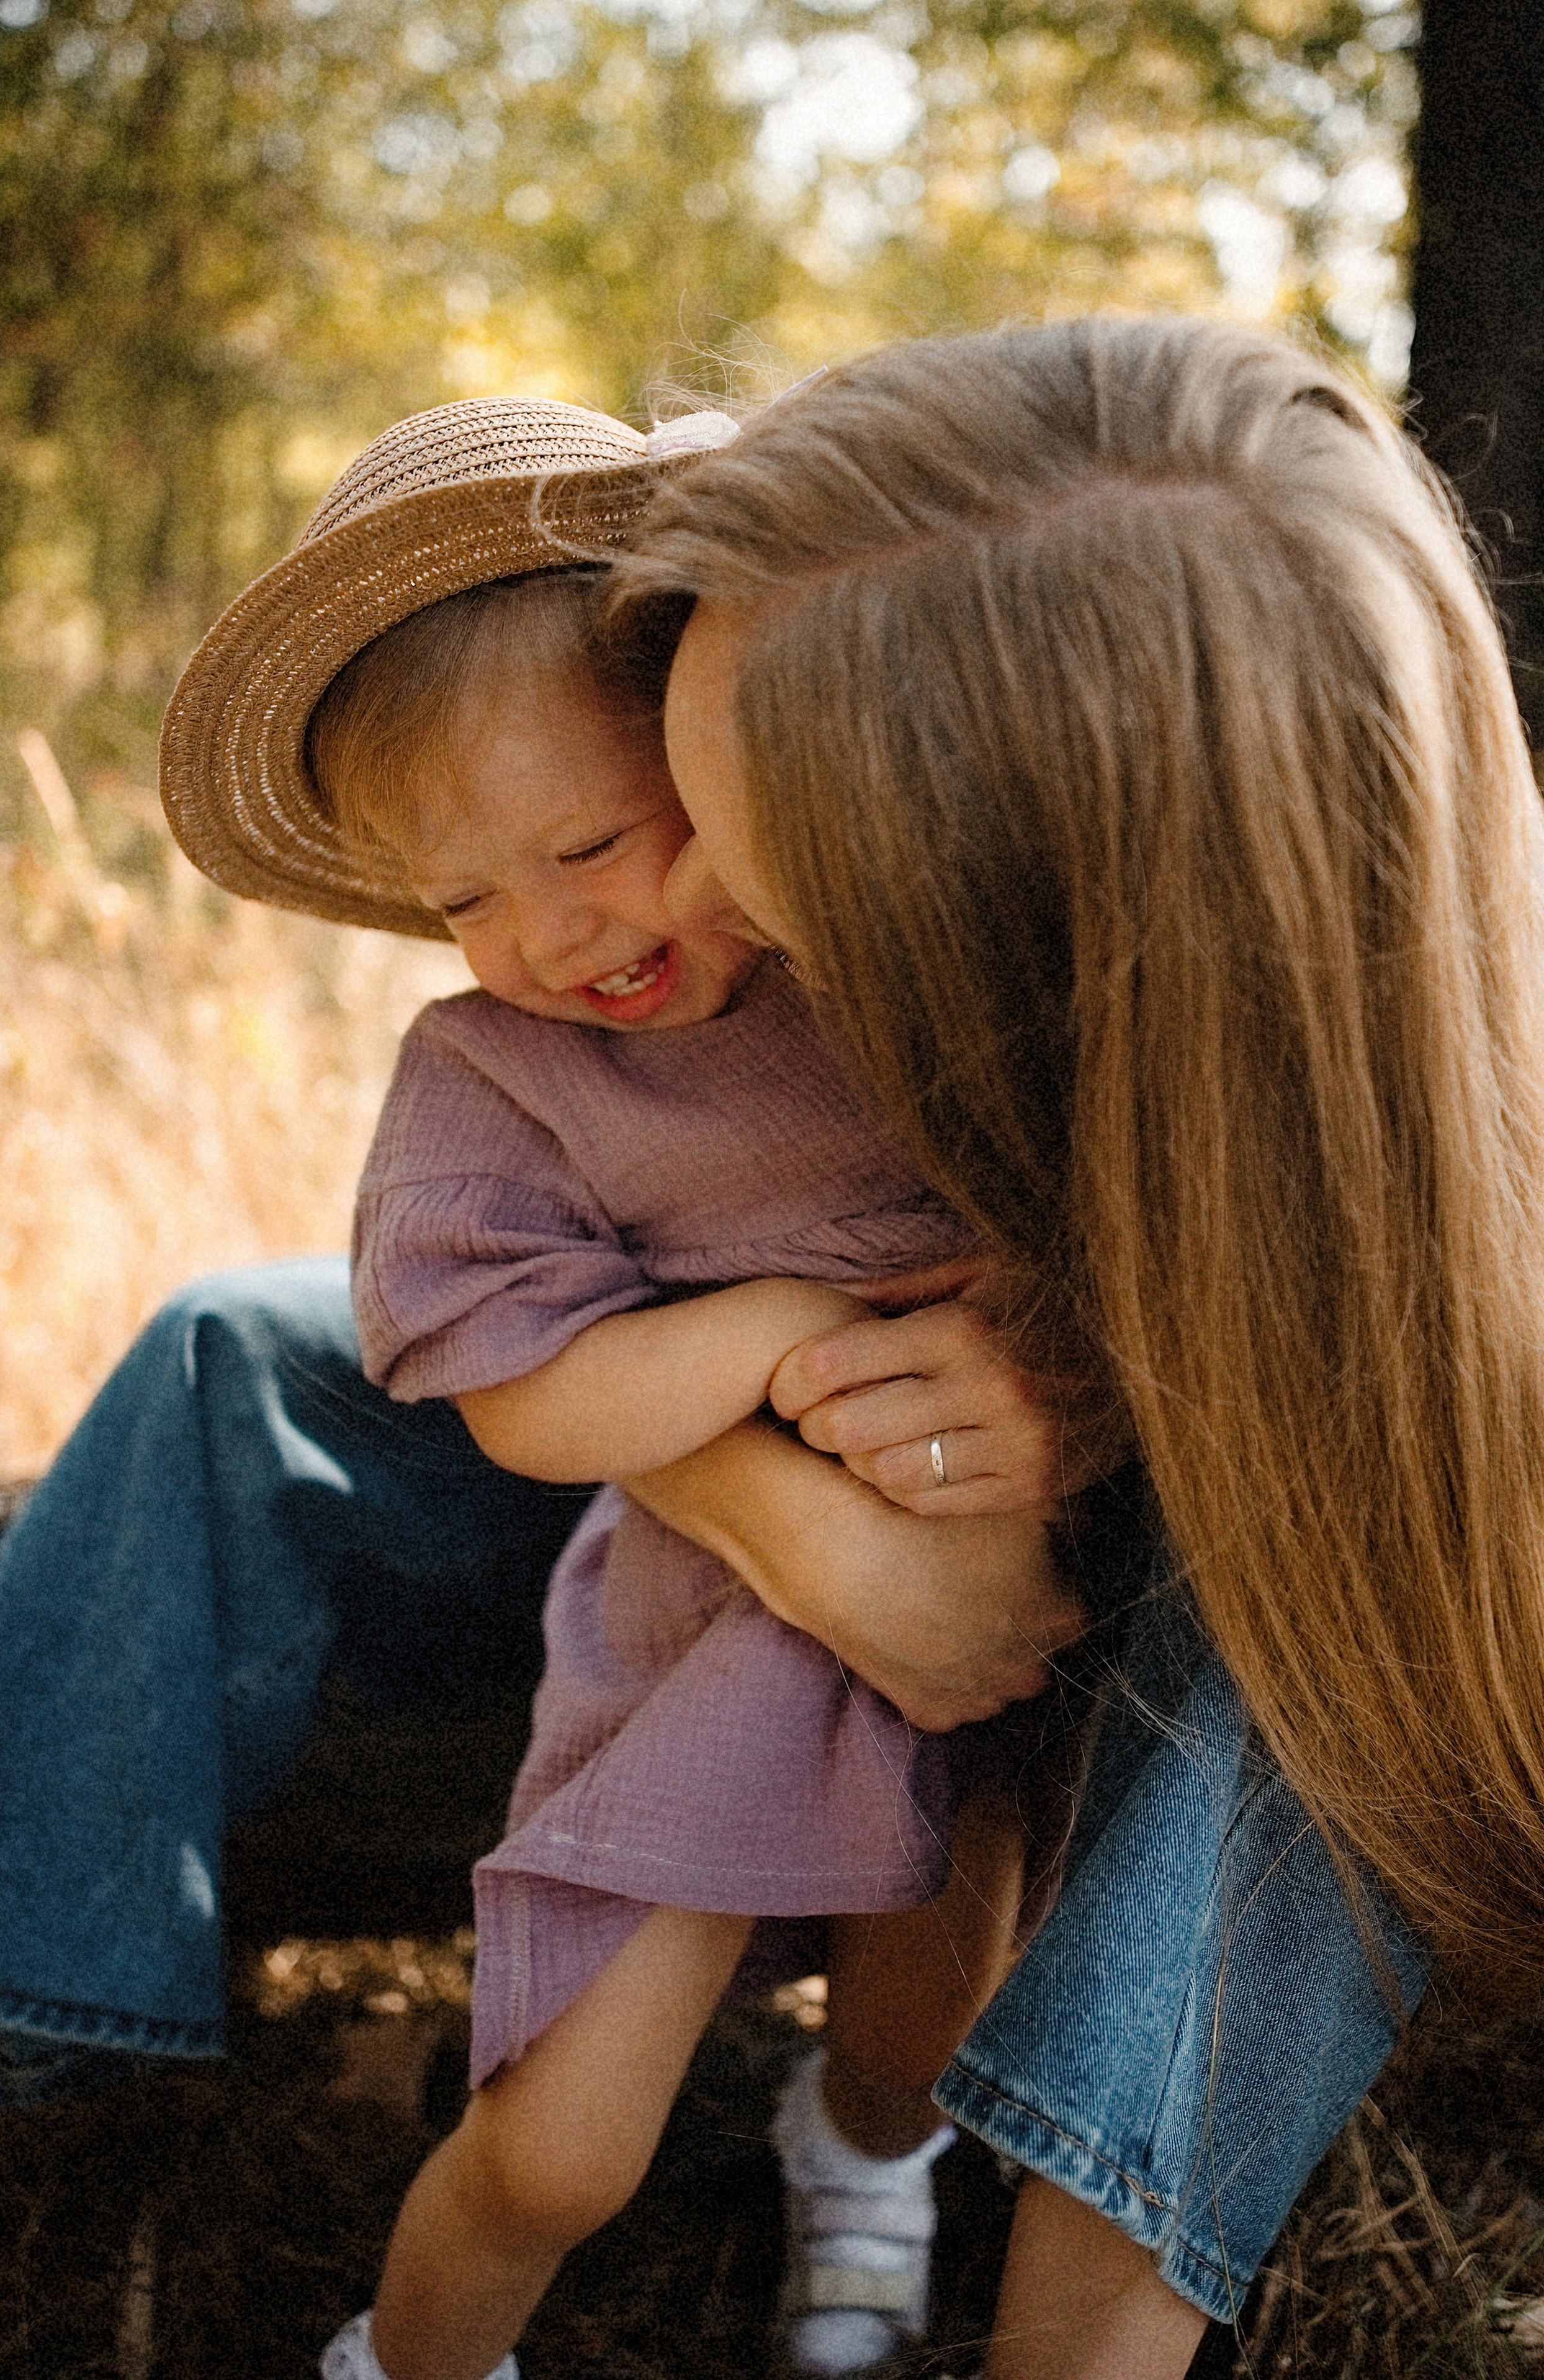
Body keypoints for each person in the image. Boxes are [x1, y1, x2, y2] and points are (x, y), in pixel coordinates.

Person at [601, 311, 1544, 2376]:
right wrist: (780, 1505)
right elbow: (527, 1326)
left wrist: (1089, 1392)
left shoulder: (1422, 1412)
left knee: (1291, 1655)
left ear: (1051, 989)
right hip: (762, 1442)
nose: (665, 899)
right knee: (245, 1351)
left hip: (1228, 1611)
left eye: (786, 910)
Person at [164, 401, 1083, 2380]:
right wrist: (758, 1330)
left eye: (591, 842)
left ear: (713, 739)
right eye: (469, 897)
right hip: (705, 1647)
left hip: (996, 1610)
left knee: (931, 2000)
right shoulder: (499, 1076)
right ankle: (411, 2354)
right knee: (564, 2140)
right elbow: (528, 1400)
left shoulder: (882, 955)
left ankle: (861, 2161)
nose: (552, 931)